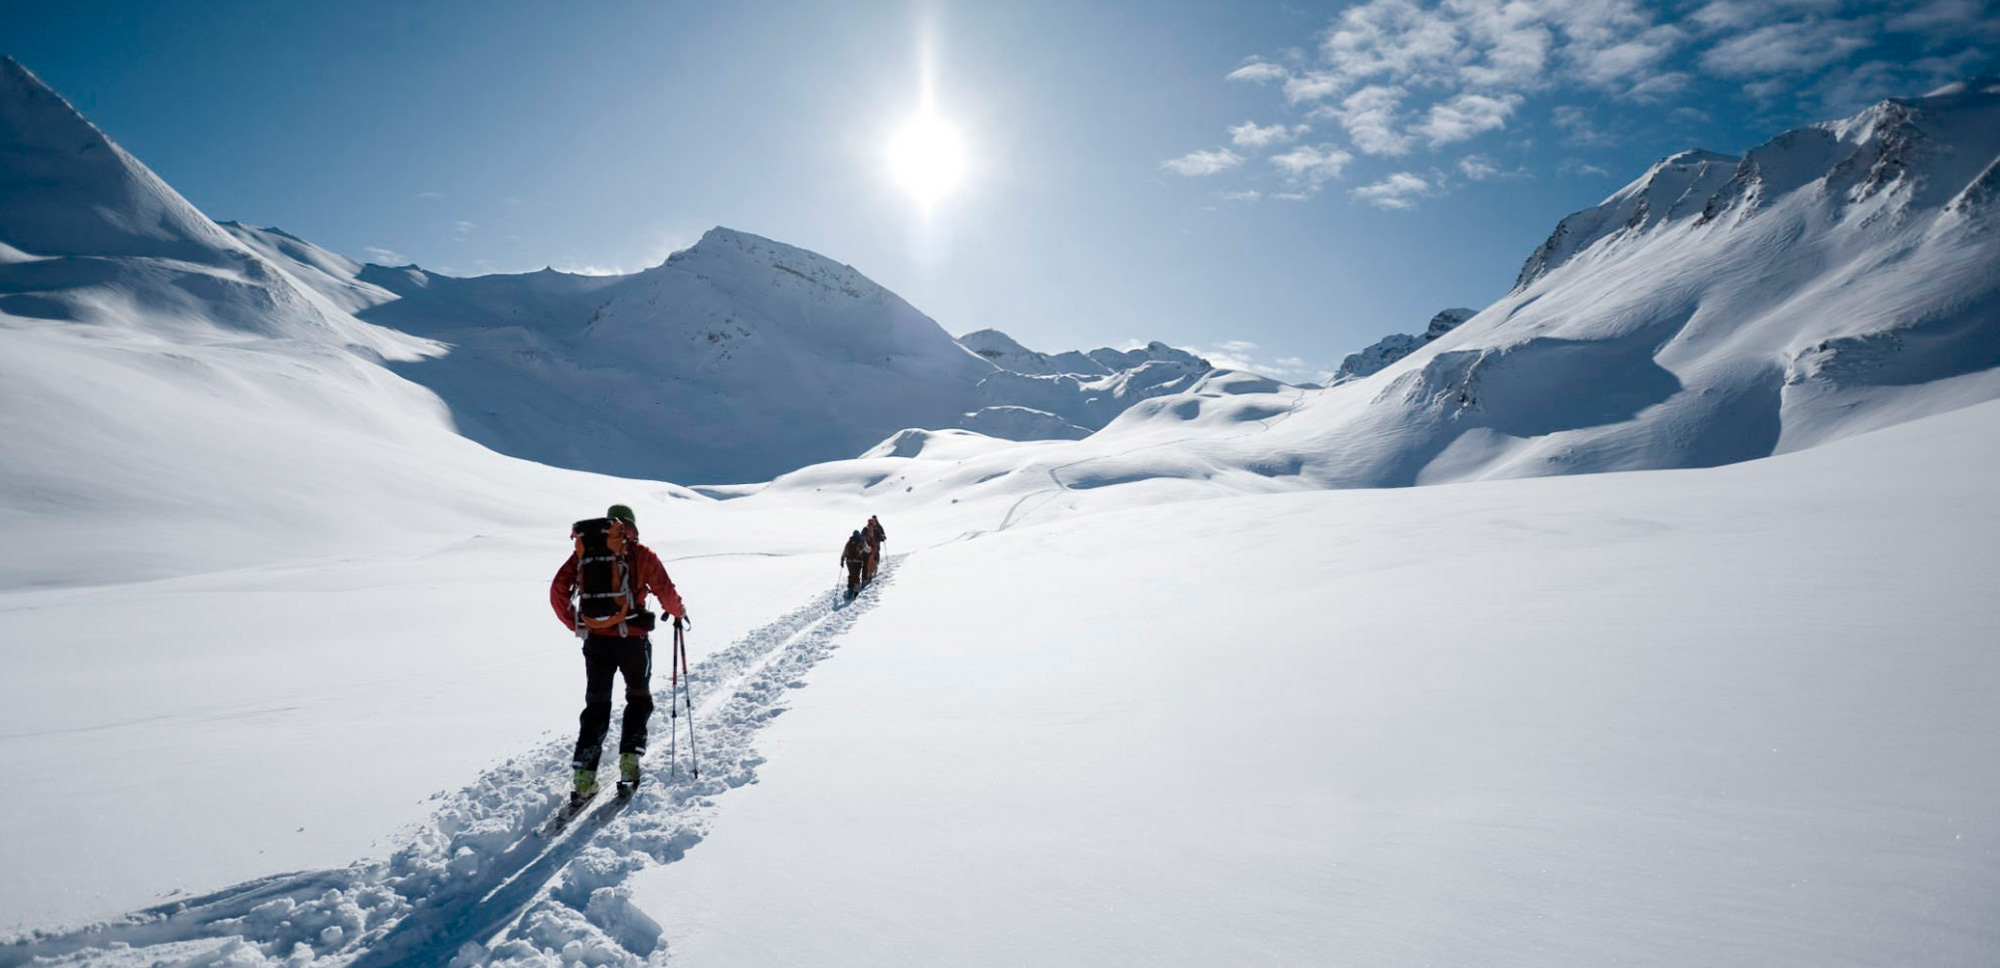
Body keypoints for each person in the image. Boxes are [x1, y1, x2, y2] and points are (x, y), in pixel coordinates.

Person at [550, 503, 686, 803]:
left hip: (596, 641)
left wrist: (577, 623)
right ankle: (629, 762)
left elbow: (558, 589)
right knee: (638, 698)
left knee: (596, 706)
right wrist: (679, 612)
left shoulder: (585, 553)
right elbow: (665, 591)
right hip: (633, 641)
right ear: (631, 526)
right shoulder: (641, 554)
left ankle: (584, 777)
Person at [840, 529, 869, 597]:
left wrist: (842, 560)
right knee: (856, 575)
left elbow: (845, 551)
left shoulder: (849, 542)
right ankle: (855, 589)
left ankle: (850, 588)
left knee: (851, 574)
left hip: (849, 561)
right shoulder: (861, 541)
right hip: (857, 561)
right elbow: (867, 549)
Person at [862, 515, 887, 582]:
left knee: (866, 561)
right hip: (875, 546)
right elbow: (882, 536)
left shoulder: (865, 528)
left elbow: (861, 537)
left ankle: (866, 576)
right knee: (875, 558)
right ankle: (872, 571)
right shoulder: (877, 528)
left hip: (867, 548)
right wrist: (883, 538)